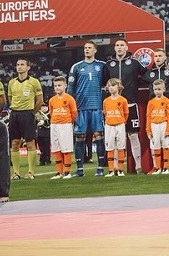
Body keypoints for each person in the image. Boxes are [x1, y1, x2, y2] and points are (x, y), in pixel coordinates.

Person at [105, 39, 147, 173]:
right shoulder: (109, 64)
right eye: (117, 45)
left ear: (126, 47)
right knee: (114, 138)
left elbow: (146, 75)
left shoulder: (134, 62)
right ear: (114, 48)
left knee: (133, 135)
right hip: (114, 107)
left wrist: (136, 84)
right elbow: (104, 81)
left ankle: (138, 166)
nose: (119, 47)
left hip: (131, 103)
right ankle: (115, 167)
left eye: (122, 45)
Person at [68, 41, 106, 177]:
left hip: (97, 107)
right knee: (80, 137)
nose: (87, 50)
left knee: (99, 136)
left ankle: (100, 168)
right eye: (85, 48)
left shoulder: (102, 65)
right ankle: (80, 170)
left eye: (89, 48)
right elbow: (70, 89)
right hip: (81, 107)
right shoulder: (77, 67)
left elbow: (108, 84)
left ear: (95, 50)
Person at [143, 49, 169, 173]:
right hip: (155, 111)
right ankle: (156, 166)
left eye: (160, 56)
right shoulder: (149, 73)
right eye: (156, 56)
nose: (158, 58)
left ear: (165, 57)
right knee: (154, 139)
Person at [8, 58, 44, 180]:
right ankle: (16, 172)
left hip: (28, 114)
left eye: (22, 64)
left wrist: (32, 113)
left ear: (28, 67)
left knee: (30, 143)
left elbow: (40, 100)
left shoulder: (34, 82)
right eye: (18, 64)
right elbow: (10, 99)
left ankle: (30, 172)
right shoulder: (12, 82)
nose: (19, 67)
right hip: (14, 114)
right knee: (15, 143)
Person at [47, 76, 77, 179]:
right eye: (55, 86)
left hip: (65, 125)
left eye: (59, 85)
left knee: (66, 148)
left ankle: (67, 172)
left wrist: (68, 122)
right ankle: (59, 172)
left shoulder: (69, 98)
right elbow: (51, 112)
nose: (57, 87)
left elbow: (74, 113)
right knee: (56, 148)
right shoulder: (52, 100)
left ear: (65, 86)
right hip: (54, 125)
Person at [145, 79, 169, 175]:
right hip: (154, 125)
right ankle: (157, 167)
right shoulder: (151, 102)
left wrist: (168, 130)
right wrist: (148, 130)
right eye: (155, 89)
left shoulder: (167, 101)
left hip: (164, 124)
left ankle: (165, 168)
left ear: (164, 89)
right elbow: (148, 116)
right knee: (156, 147)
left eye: (159, 89)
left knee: (165, 146)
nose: (157, 91)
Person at [103, 78, 130, 177]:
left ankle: (120, 170)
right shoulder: (106, 101)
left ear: (118, 86)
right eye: (109, 86)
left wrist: (121, 121)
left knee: (121, 147)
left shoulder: (123, 100)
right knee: (110, 147)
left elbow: (126, 113)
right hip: (109, 126)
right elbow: (105, 113)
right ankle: (111, 170)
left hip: (120, 125)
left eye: (113, 85)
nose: (111, 88)